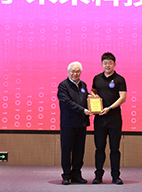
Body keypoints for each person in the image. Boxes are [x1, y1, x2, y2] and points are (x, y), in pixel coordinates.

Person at [91, 52, 127, 185]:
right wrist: (93, 96)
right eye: (105, 63)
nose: (107, 65)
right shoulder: (97, 78)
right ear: (102, 64)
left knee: (114, 148)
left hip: (114, 118)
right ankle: (98, 175)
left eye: (110, 63)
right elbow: (93, 91)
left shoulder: (120, 79)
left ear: (114, 64)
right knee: (99, 148)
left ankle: (115, 176)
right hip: (99, 119)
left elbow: (123, 98)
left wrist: (109, 108)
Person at [57, 61, 92, 185]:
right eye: (72, 71)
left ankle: (76, 174)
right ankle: (66, 175)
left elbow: (86, 99)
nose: (74, 73)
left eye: (77, 71)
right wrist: (83, 110)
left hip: (81, 123)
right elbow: (67, 102)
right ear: (68, 72)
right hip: (68, 124)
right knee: (67, 150)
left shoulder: (83, 85)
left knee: (79, 151)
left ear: (80, 72)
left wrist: (93, 101)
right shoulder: (63, 86)